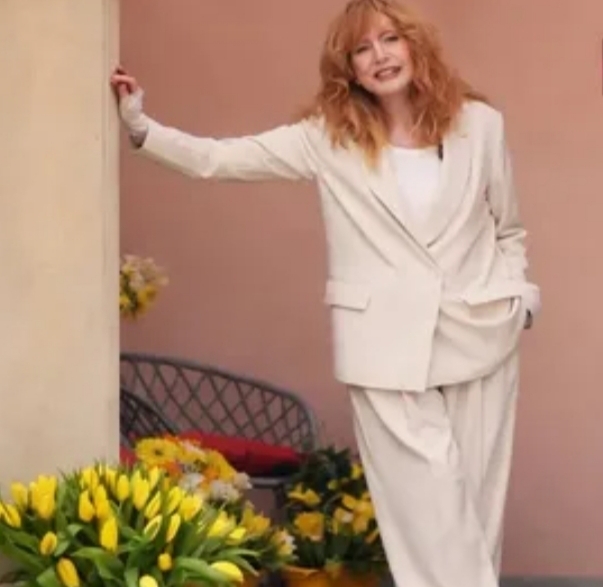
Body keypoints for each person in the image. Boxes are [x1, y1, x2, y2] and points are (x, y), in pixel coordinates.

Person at [111, 0, 540, 585]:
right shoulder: (327, 138)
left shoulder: (480, 125)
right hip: (383, 346)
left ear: (415, 44)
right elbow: (218, 159)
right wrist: (142, 126)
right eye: (362, 49)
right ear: (349, 69)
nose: (380, 56)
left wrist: (520, 299)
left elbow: (508, 227)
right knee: (429, 511)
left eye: (390, 39)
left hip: (481, 332)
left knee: (476, 512)